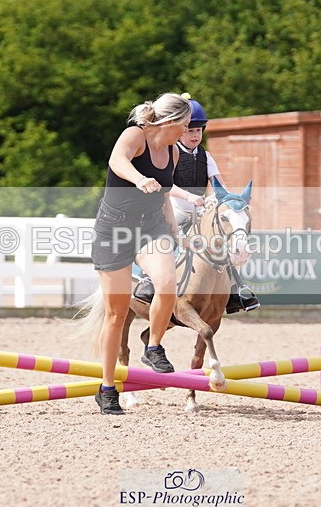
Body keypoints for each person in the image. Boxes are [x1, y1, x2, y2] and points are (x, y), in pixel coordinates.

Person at [90, 92, 192, 415]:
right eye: (186, 126)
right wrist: (138, 178)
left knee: (167, 283)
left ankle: (154, 346)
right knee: (117, 314)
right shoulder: (135, 135)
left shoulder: (173, 152)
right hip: (115, 230)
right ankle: (107, 388)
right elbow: (116, 161)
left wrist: (174, 228)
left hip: (151, 227)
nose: (188, 132)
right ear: (170, 122)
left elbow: (163, 194)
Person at [133, 95, 260, 314]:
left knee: (220, 241)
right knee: (165, 240)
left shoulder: (206, 156)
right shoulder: (169, 154)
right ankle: (145, 280)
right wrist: (189, 197)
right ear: (180, 131)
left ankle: (235, 290)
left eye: (199, 131)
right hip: (173, 207)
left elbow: (219, 185)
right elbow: (166, 186)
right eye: (190, 131)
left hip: (200, 211)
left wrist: (229, 201)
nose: (195, 135)